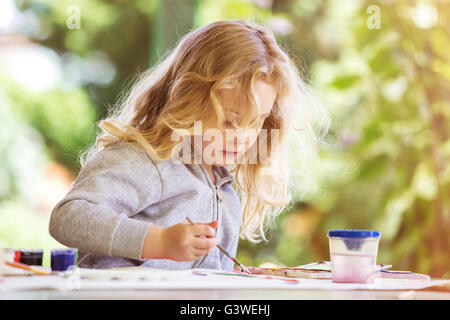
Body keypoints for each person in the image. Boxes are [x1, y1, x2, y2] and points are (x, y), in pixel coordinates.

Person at [49, 19, 329, 270]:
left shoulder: (222, 186)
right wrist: (158, 241)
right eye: (229, 122)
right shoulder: (149, 159)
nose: (243, 137)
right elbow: (68, 218)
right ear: (188, 101)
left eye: (256, 123)